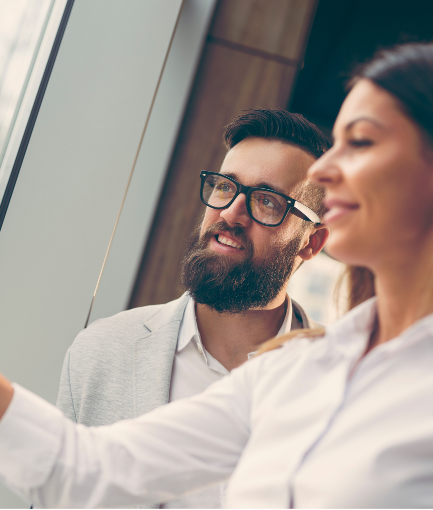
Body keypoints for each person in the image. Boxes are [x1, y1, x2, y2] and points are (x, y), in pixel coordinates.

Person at [0, 41, 433, 508]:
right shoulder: (303, 368)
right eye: (334, 144)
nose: (331, 170)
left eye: (360, 142)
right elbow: (80, 471)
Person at [57, 109, 330, 508]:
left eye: (268, 202)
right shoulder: (101, 351)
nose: (231, 213)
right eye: (224, 188)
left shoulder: (342, 385)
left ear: (311, 243)